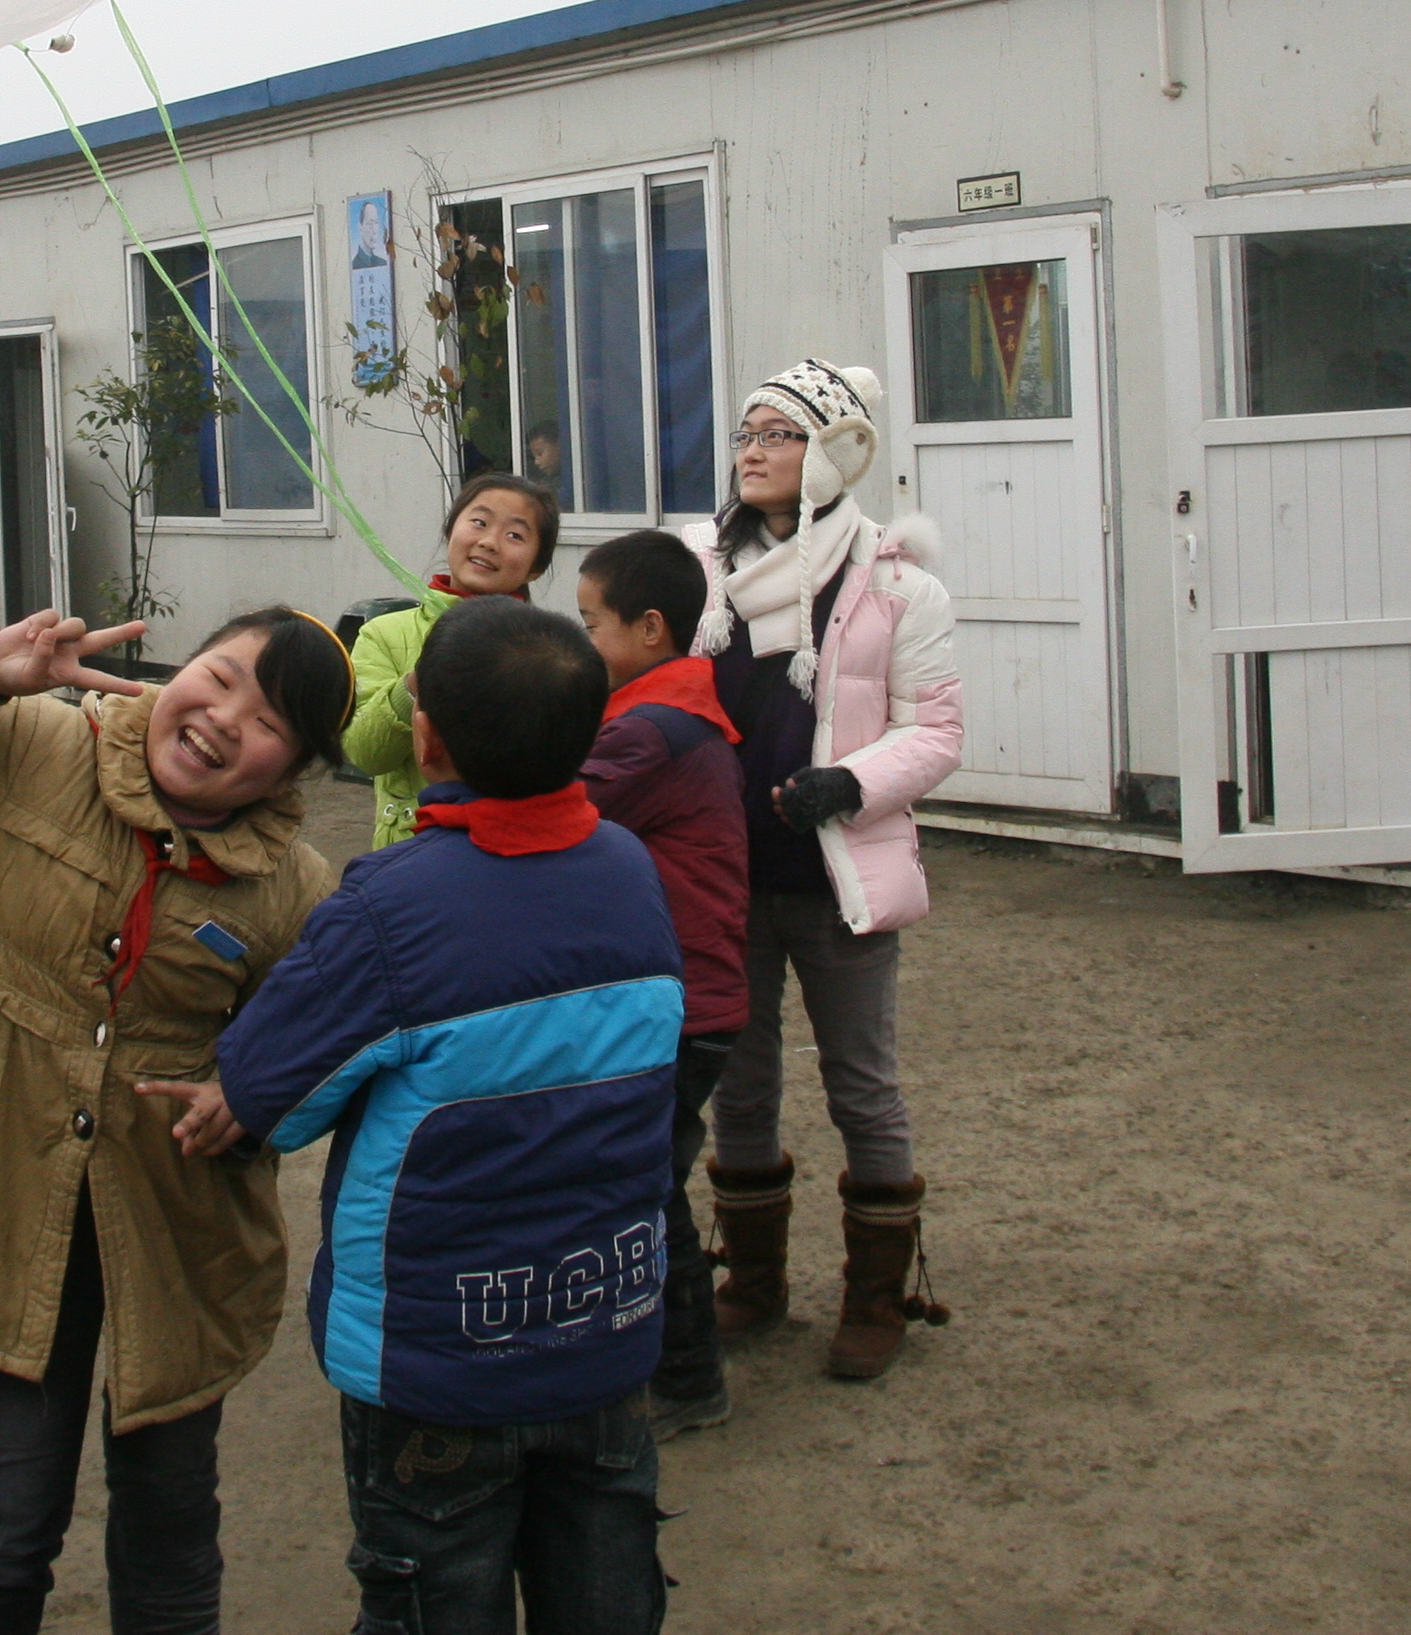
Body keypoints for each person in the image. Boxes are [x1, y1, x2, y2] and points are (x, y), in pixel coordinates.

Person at [0, 604, 351, 1635]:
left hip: (180, 1228)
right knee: (5, 1517)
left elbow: (325, 1041)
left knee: (173, 1524)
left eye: (266, 720)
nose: (223, 717)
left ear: (294, 770)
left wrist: (251, 1096)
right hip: (0, 1193)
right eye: (220, 676)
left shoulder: (293, 893)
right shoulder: (37, 746)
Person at [160, 599, 682, 1634]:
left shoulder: (390, 905)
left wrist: (229, 1100)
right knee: (607, 1587)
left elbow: (271, 1092)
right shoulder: (630, 869)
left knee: (434, 1594)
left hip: (438, 1355)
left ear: (425, 733)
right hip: (606, 1331)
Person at [692, 361, 965, 1382]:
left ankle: (877, 1293)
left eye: (783, 432)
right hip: (724, 877)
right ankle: (753, 1281)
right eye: (747, 431)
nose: (754, 448)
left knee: (863, 1083)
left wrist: (845, 783)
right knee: (740, 1081)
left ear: (837, 452)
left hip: (841, 878)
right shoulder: (701, 572)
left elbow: (934, 730)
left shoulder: (899, 584)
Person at [573, 528, 751, 1438]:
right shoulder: (667, 712)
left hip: (679, 1006)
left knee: (644, 1190)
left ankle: (685, 1381)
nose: (578, 641)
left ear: (649, 629)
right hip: (688, 996)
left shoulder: (649, 729)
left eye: (588, 623)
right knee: (647, 1182)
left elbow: (562, 807)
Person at [340, 471, 557, 850]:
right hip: (409, 852)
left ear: (536, 566)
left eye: (515, 535)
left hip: (513, 849)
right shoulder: (385, 634)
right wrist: (417, 681)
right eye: (479, 522)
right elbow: (365, 753)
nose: (489, 542)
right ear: (450, 530)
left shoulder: (547, 648)